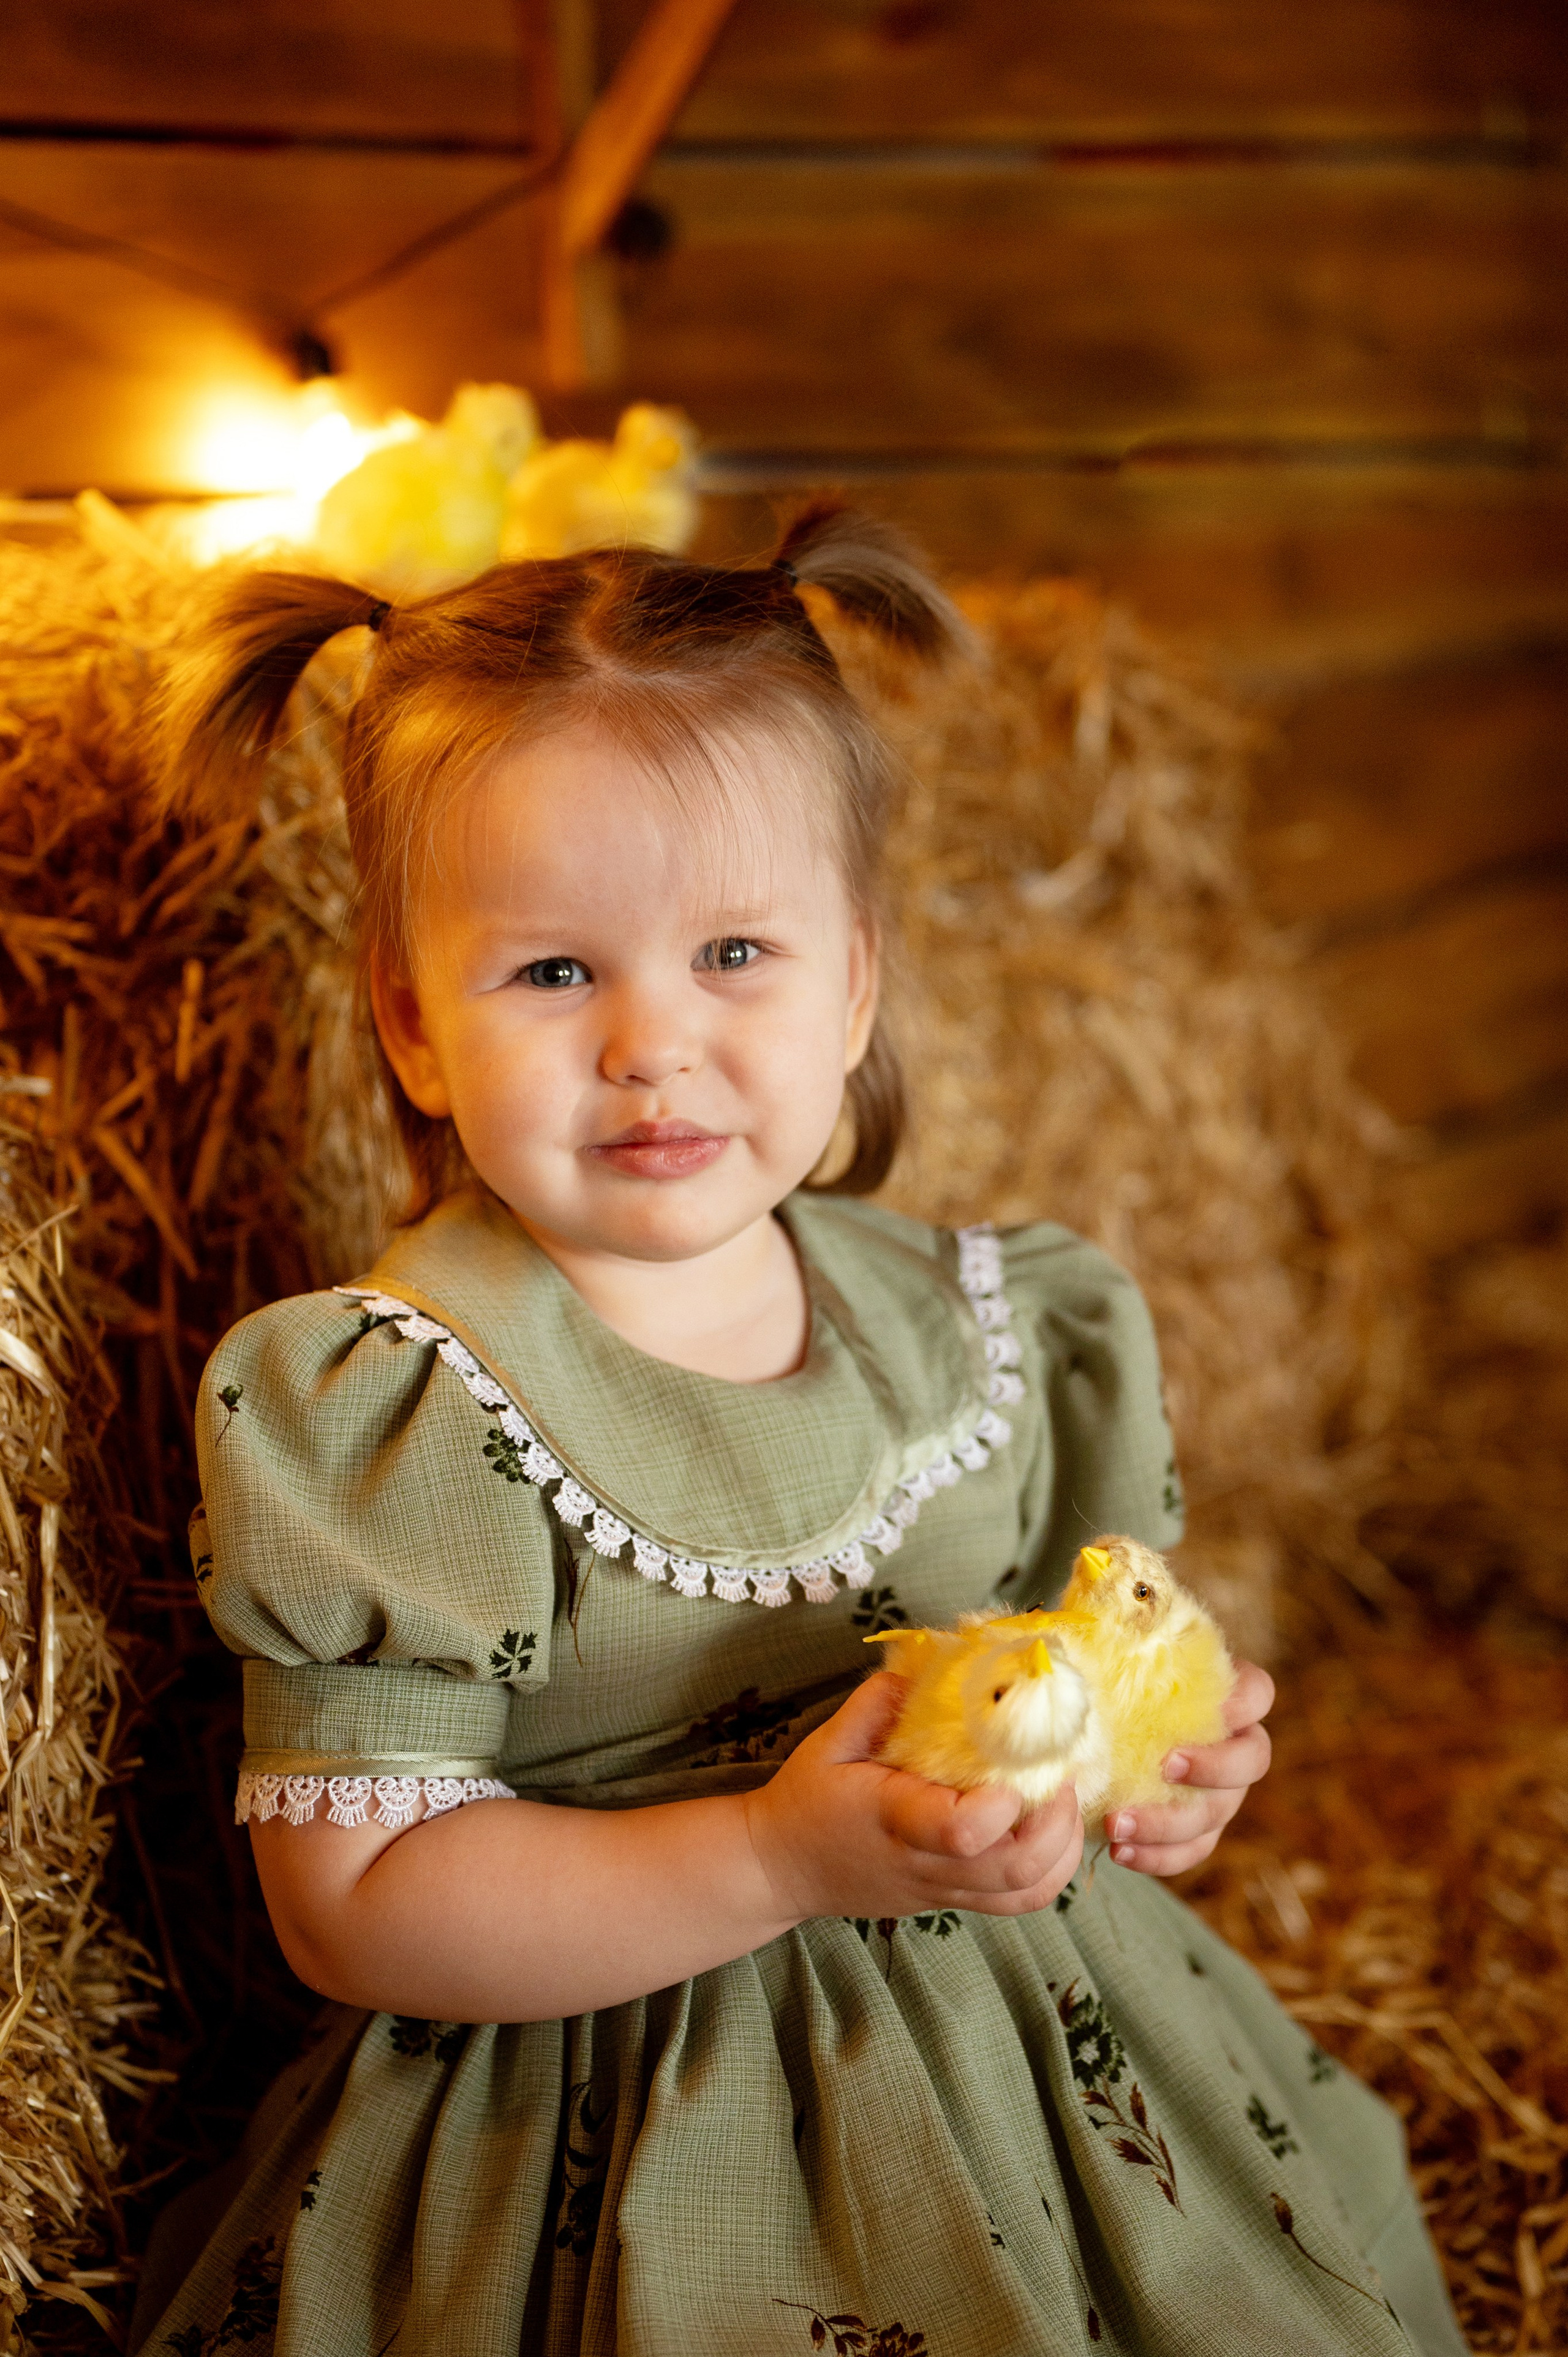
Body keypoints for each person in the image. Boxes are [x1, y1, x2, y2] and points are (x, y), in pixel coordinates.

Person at [132, 507, 1465, 2357]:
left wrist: (1150, 1773)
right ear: (414, 1029)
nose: (650, 1044)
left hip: (1047, 2085)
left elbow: (1069, 1674)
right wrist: (771, 1857)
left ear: (857, 979)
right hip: (599, 2126)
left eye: (736, 952)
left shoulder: (998, 1328)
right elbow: (355, 1909)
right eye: (553, 973)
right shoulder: (400, 1407)